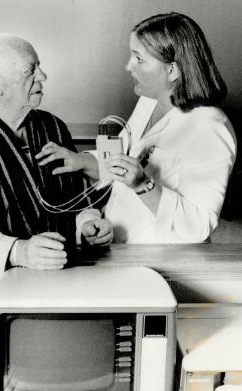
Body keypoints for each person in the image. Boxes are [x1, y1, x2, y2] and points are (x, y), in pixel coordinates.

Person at [37, 12, 236, 243]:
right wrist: (82, 161)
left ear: (172, 70)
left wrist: (144, 185)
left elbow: (199, 225)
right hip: (122, 248)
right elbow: (122, 166)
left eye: (139, 59)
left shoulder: (208, 127)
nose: (128, 66)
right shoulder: (148, 103)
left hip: (165, 262)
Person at [0, 34, 113, 280]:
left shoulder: (53, 127)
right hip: (7, 282)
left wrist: (86, 224)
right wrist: (18, 251)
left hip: (69, 272)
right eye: (31, 70)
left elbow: (77, 198)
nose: (43, 76)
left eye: (39, 66)